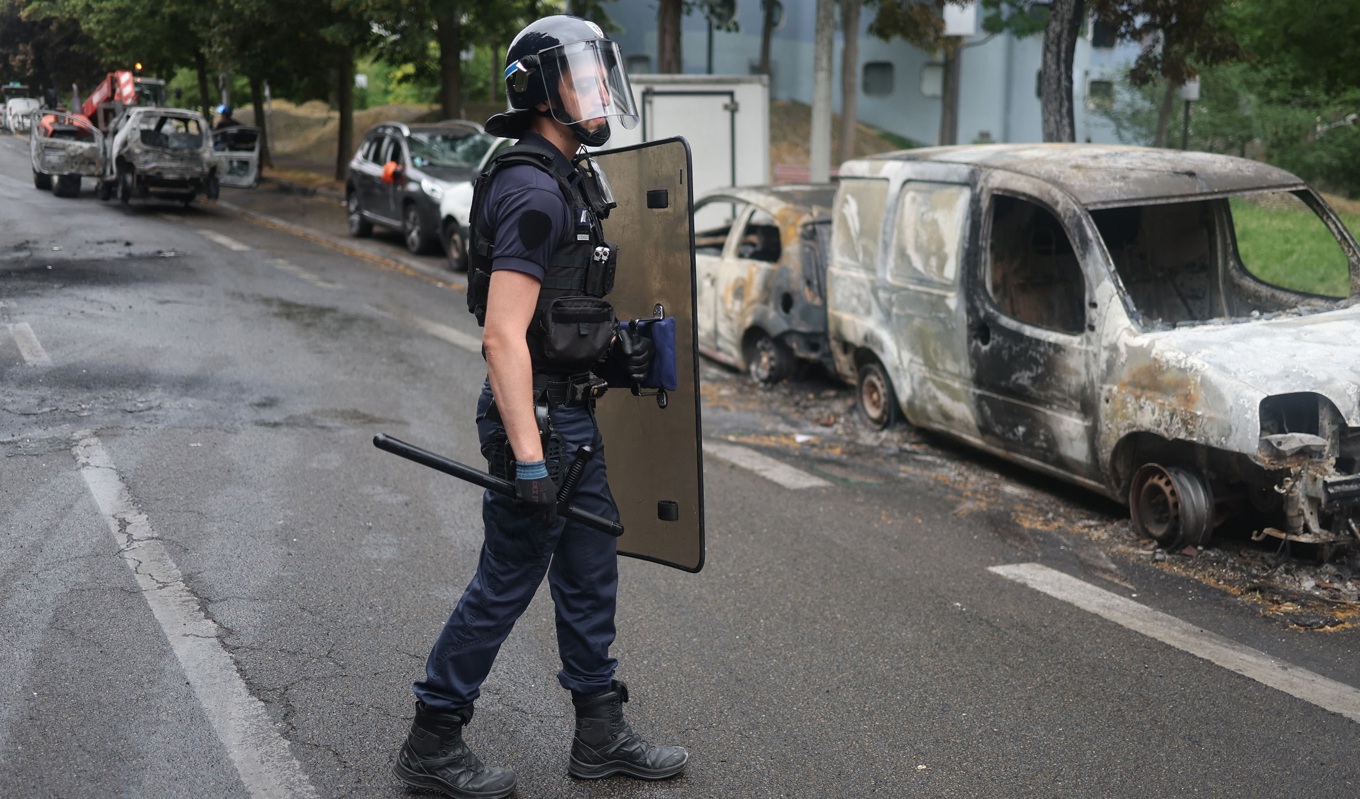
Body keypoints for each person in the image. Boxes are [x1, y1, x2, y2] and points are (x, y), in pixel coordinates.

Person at [392, 15, 687, 799]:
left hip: (569, 419)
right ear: (539, 92)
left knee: (591, 573)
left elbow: (560, 312)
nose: (595, 93)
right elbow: (501, 334)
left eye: (598, 77)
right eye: (579, 79)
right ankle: (432, 738)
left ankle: (600, 734)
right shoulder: (531, 186)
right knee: (507, 580)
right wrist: (528, 455)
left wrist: (613, 348)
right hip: (542, 425)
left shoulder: (566, 176)